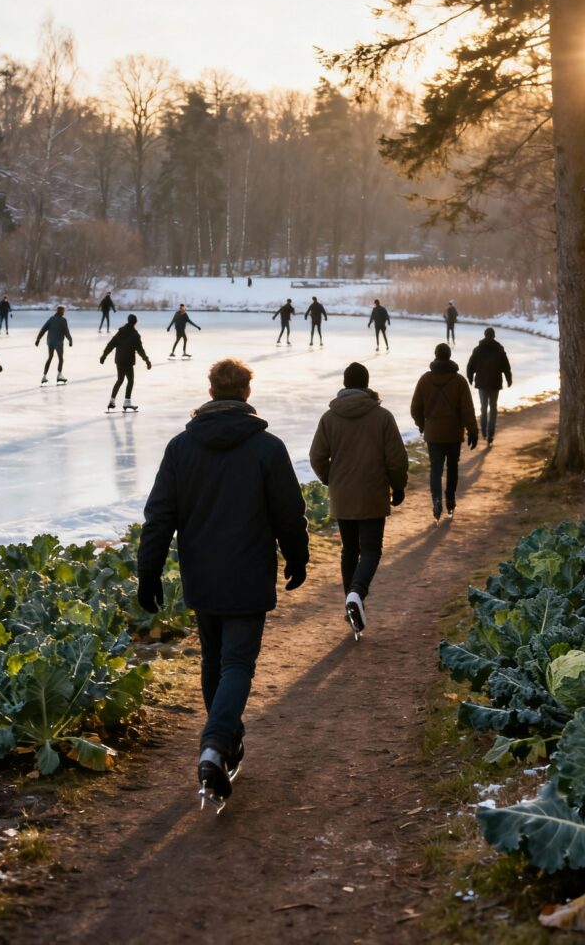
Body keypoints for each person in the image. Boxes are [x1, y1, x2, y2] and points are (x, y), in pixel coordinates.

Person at [137, 358, 309, 810]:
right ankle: (215, 745)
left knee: (214, 659)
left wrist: (149, 571)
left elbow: (160, 516)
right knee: (236, 664)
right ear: (246, 393)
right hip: (249, 572)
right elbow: (289, 512)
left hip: (202, 573)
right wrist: (297, 554)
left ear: (211, 391)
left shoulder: (181, 448)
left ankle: (225, 742)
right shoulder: (267, 448)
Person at [309, 362, 408, 639]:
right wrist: (398, 486)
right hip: (373, 492)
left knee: (349, 550)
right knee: (372, 550)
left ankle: (353, 607)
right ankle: (356, 594)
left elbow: (317, 456)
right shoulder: (383, 417)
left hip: (343, 494)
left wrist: (332, 479)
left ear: (344, 384)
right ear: (366, 385)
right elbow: (397, 458)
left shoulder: (329, 418)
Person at [410, 343, 479, 522]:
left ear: (435, 355)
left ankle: (437, 500)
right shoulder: (459, 381)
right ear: (449, 356)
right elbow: (467, 410)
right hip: (454, 433)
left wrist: (422, 425)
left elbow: (415, 407)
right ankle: (450, 499)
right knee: (453, 467)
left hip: (433, 433)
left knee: (436, 469)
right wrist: (473, 430)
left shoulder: (425, 380)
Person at [466, 327, 513, 447]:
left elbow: (470, 365)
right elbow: (506, 366)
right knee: (493, 408)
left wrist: (470, 378)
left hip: (482, 383)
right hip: (495, 383)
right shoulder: (499, 349)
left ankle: (484, 431)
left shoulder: (478, 350)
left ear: (485, 335)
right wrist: (509, 379)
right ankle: (490, 434)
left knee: (483, 407)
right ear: (494, 336)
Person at [100, 313, 152, 412]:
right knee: (130, 381)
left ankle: (112, 401)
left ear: (128, 321)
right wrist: (147, 361)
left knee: (120, 380)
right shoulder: (135, 335)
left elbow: (110, 345)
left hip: (119, 360)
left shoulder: (120, 332)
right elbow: (140, 350)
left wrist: (104, 355)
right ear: (135, 322)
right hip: (128, 361)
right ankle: (127, 402)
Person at [35, 306, 73, 384]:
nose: (64, 312)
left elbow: (43, 329)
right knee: (61, 359)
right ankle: (59, 375)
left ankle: (44, 376)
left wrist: (38, 339)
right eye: (63, 311)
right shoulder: (63, 320)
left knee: (50, 357)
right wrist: (70, 340)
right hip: (58, 342)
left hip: (50, 342)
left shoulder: (51, 319)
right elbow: (66, 332)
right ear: (61, 312)